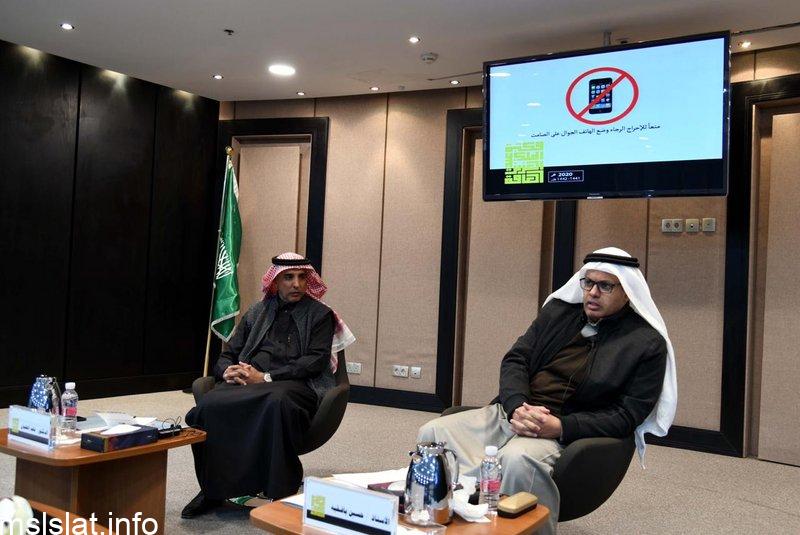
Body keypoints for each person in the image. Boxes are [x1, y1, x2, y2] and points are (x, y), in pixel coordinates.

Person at [418, 247, 676, 534]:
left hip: (568, 427)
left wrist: (561, 427)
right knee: (433, 434)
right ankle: (444, 523)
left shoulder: (645, 343)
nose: (593, 292)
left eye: (605, 286)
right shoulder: (558, 313)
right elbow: (516, 359)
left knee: (517, 460)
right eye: (588, 283)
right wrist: (517, 406)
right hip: (514, 411)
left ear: (627, 292)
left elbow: (627, 415)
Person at [182, 252, 354, 518]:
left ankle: (281, 491)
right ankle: (212, 490)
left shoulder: (320, 314)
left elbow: (315, 361)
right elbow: (230, 352)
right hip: (248, 381)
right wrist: (226, 370)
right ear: (275, 282)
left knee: (275, 403)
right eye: (289, 278)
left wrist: (265, 377)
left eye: (302, 277)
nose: (297, 284)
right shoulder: (257, 311)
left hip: (295, 385)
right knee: (209, 405)